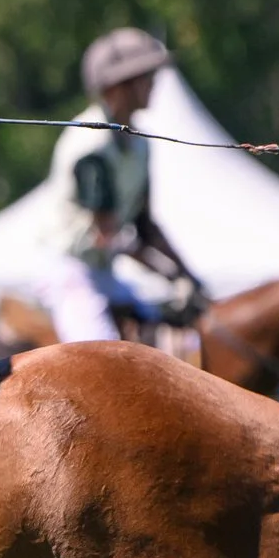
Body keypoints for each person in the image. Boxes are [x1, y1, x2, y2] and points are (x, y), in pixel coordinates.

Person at [36, 29, 206, 342]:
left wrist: (190, 276)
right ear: (119, 86)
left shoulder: (140, 144)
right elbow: (107, 234)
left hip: (105, 273)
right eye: (146, 76)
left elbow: (144, 225)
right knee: (103, 357)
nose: (154, 84)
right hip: (71, 272)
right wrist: (168, 274)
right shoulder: (89, 143)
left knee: (169, 334)